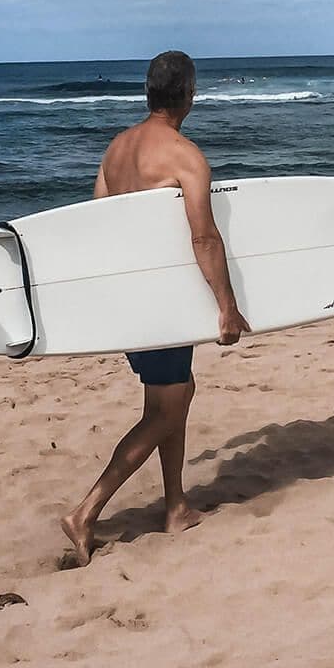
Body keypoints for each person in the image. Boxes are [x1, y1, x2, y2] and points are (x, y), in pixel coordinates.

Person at [60, 50, 250, 566]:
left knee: (168, 402)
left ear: (149, 94)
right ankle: (86, 511)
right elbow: (204, 237)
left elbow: (99, 224)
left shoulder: (116, 151)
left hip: (133, 298)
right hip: (164, 301)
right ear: (190, 94)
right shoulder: (185, 156)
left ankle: (176, 506)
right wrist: (226, 307)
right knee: (172, 403)